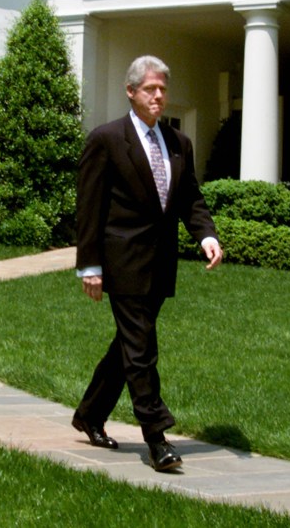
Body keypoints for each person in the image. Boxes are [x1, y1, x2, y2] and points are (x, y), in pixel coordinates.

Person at [72, 55, 223, 472]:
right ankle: (157, 438)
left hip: (161, 264)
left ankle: (89, 413)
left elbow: (190, 197)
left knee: (128, 347)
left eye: (162, 89)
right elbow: (89, 207)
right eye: (150, 89)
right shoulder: (106, 139)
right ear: (131, 92)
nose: (158, 96)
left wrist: (206, 235)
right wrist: (90, 265)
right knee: (141, 350)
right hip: (121, 262)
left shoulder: (178, 142)